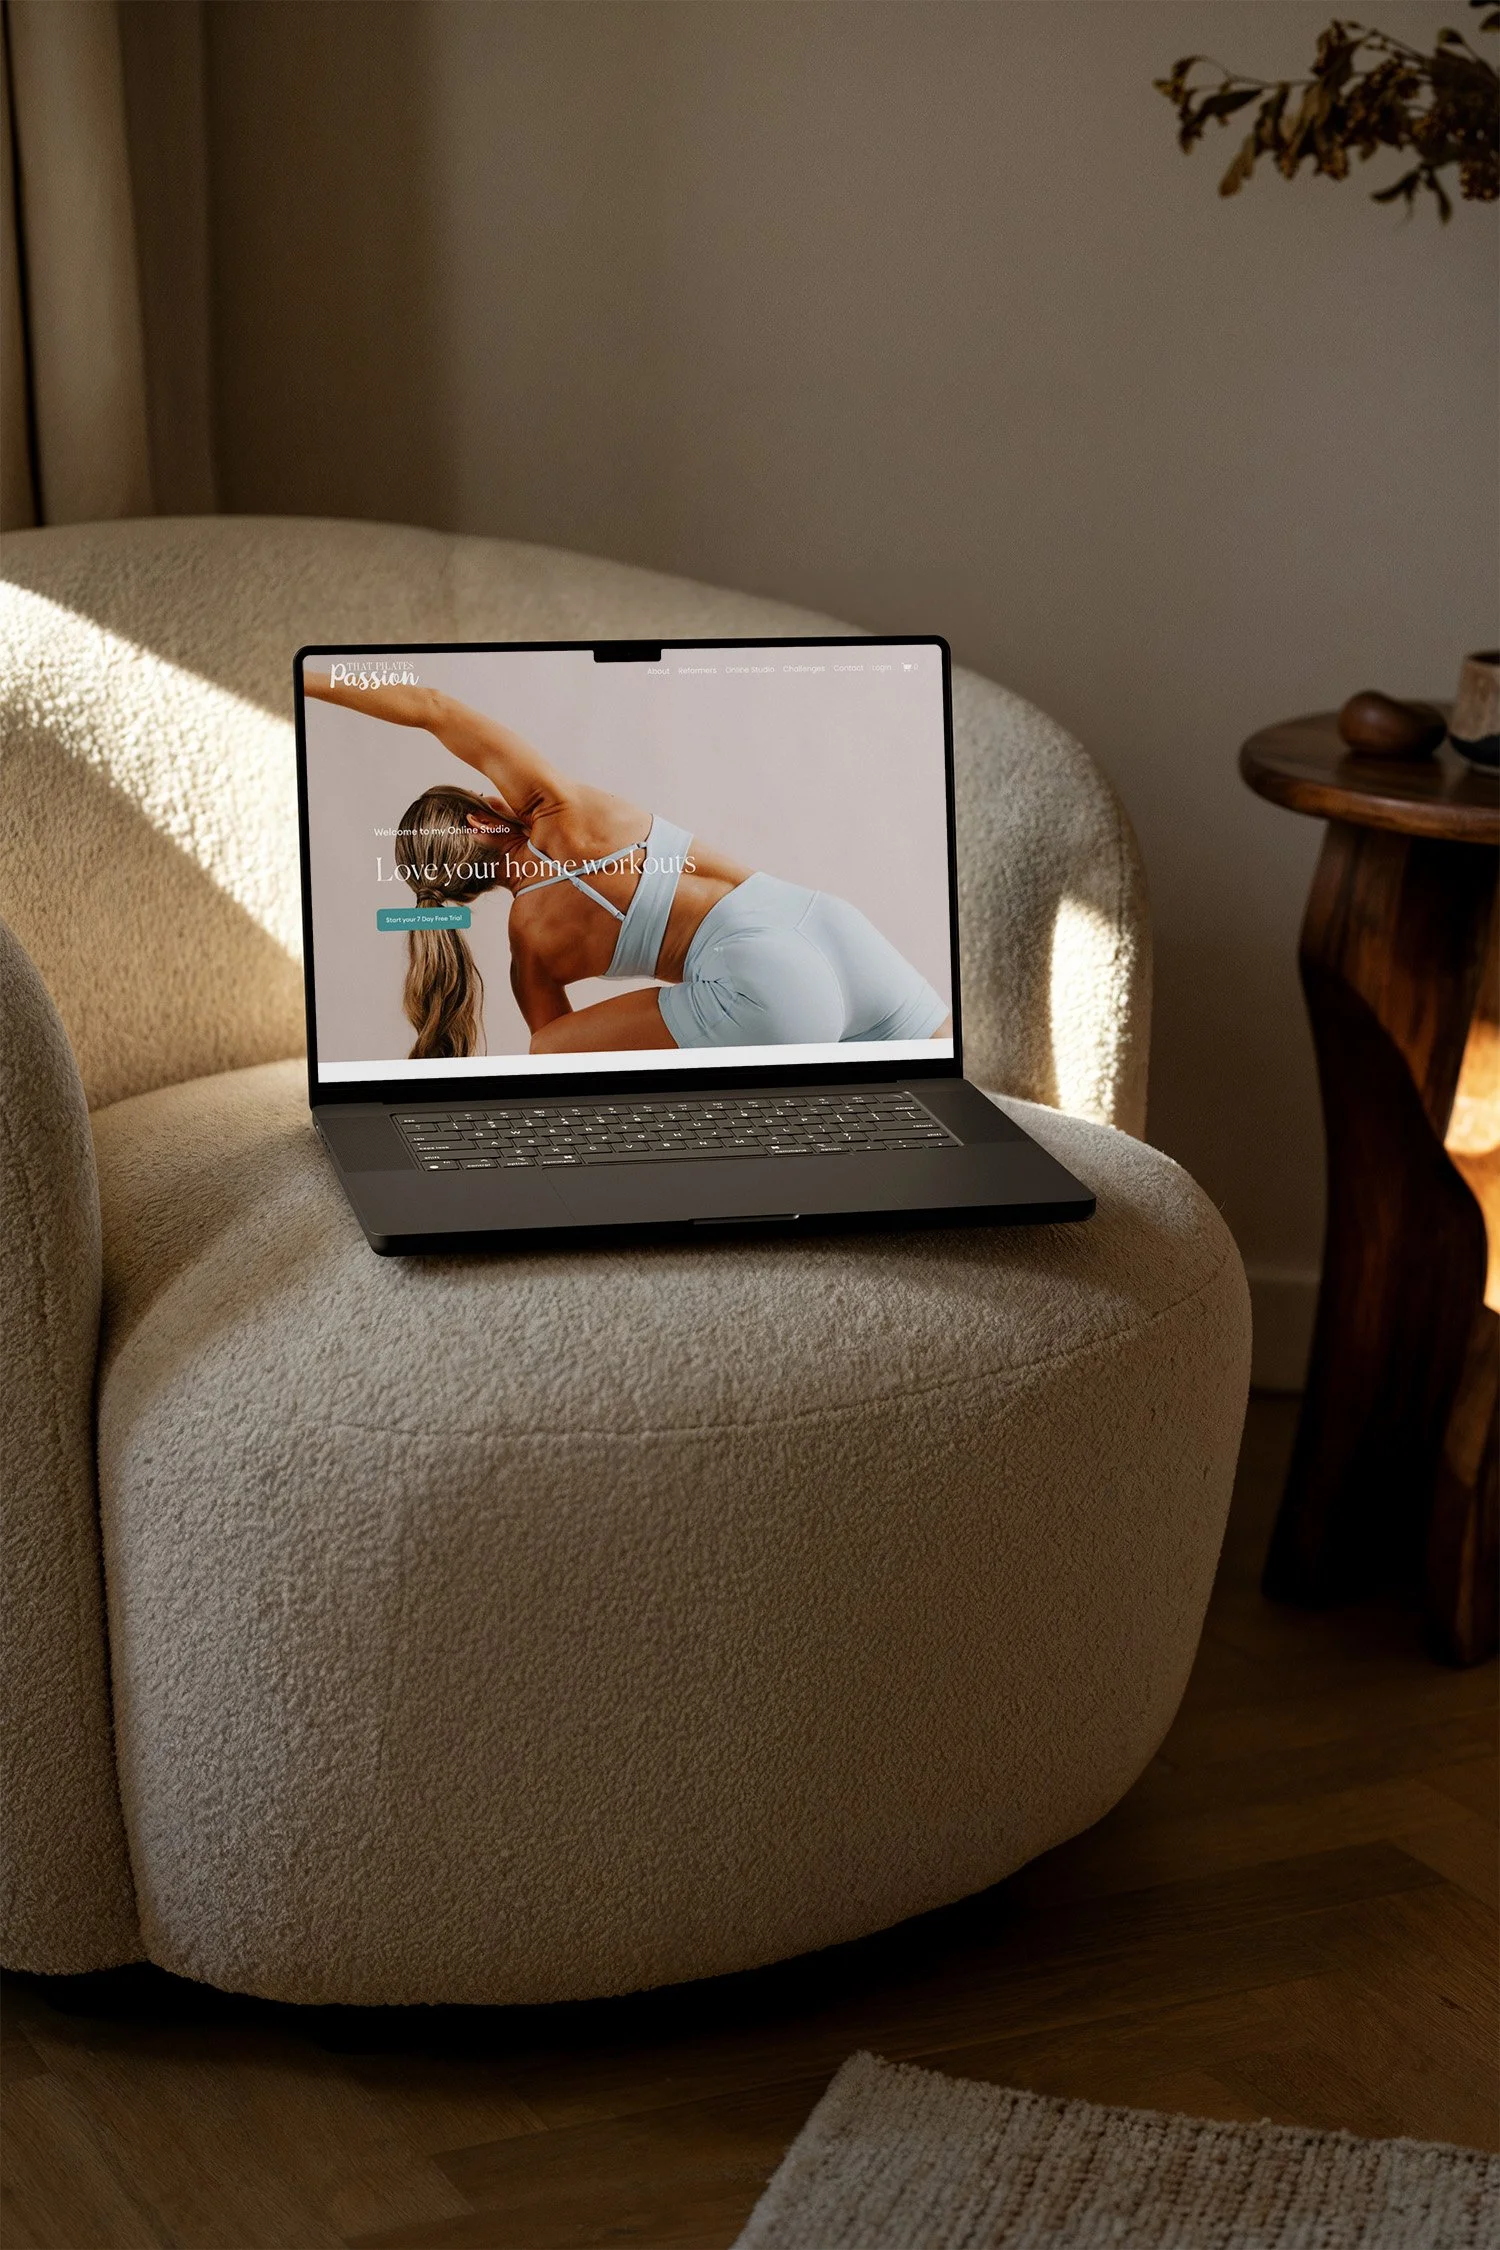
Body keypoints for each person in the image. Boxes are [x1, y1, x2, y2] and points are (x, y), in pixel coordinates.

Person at [304, 673, 952, 1060]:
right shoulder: (560, 808)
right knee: (939, 1096)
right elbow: (431, 708)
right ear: (480, 821)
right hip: (831, 926)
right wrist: (304, 677)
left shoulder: (529, 947)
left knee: (549, 1047)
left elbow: (553, 1050)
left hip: (761, 996)